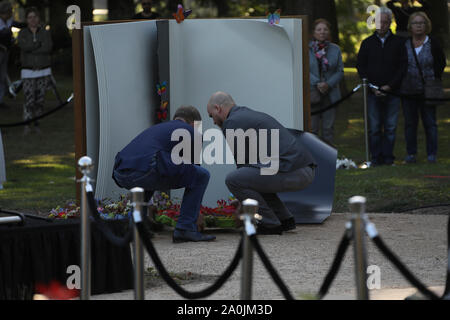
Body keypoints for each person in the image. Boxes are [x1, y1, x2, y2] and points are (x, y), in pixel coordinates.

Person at [207, 92, 316, 235]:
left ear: (218, 108)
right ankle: (284, 219)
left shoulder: (232, 122)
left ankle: (269, 223)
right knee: (252, 178)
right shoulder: (245, 115)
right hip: (303, 169)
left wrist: (243, 201)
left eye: (211, 116)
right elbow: (251, 172)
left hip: (293, 170)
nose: (214, 122)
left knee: (233, 179)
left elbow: (242, 168)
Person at [112, 106, 216, 243]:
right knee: (202, 175)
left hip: (121, 171)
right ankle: (185, 228)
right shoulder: (191, 132)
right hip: (148, 168)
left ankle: (135, 227)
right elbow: (194, 171)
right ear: (194, 124)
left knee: (150, 176)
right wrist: (195, 214)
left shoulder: (158, 128)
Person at [356, 7, 407, 166]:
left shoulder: (399, 42)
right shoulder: (367, 43)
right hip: (372, 92)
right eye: (379, 22)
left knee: (390, 127)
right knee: (375, 127)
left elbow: (402, 67)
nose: (382, 25)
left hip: (393, 92)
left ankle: (388, 158)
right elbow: (361, 66)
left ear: (390, 23)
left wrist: (389, 86)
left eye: (385, 22)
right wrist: (372, 87)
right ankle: (376, 158)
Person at [400, 12, 446, 164]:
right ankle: (411, 154)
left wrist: (432, 78)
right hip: (408, 90)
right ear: (410, 26)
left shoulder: (433, 43)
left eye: (421, 23)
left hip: (428, 89)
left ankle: (432, 154)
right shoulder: (405, 44)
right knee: (410, 124)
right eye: (415, 23)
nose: (418, 26)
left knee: (430, 123)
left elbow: (441, 63)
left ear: (426, 25)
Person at [17, 7, 52, 135]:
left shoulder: (45, 32)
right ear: (26, 20)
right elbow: (24, 46)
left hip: (43, 71)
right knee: (29, 99)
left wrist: (32, 47)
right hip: (28, 71)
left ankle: (37, 123)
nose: (33, 20)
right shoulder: (22, 33)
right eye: (30, 17)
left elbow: (48, 47)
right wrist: (38, 45)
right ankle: (26, 124)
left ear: (39, 19)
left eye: (35, 17)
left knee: (40, 99)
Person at [309, 18, 344, 146]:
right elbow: (303, 69)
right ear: (313, 32)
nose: (322, 32)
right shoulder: (305, 49)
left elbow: (340, 71)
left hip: (331, 94)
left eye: (325, 29)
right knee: (312, 129)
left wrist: (328, 84)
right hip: (313, 94)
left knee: (328, 129)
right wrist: (317, 83)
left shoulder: (335, 49)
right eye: (319, 29)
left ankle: (328, 159)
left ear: (329, 32)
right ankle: (312, 159)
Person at [0, 1, 26, 109]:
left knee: (2, 76)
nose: (11, 13)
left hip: (5, 52)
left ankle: (0, 100)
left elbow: (18, 25)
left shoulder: (9, 21)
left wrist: (29, 23)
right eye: (9, 11)